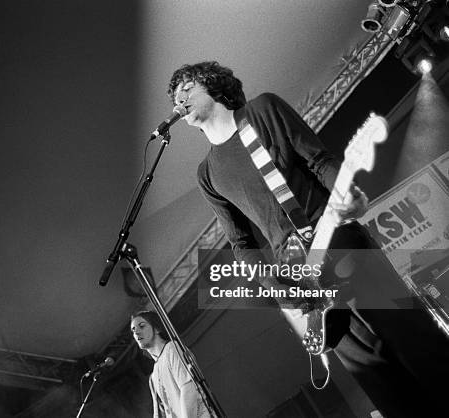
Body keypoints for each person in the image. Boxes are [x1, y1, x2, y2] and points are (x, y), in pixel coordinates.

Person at [166, 61, 449, 417]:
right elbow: (241, 243)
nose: (179, 99)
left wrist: (345, 192)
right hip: (303, 282)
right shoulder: (207, 173)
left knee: (411, 335)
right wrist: (274, 285)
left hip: (338, 239)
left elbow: (318, 160)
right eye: (174, 96)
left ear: (213, 86)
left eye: (186, 89)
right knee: (374, 371)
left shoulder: (263, 110)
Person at [130, 310, 213, 418]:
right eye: (133, 330)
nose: (136, 332)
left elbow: (188, 389)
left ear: (157, 328)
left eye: (142, 326)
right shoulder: (153, 376)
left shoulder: (172, 349)